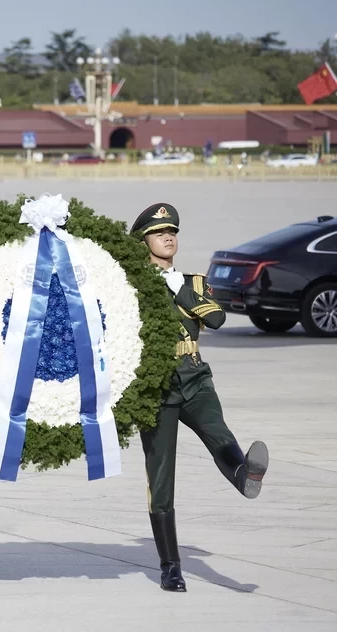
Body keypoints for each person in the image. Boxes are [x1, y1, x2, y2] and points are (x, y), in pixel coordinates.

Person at [131, 203, 269, 593]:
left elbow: (216, 319)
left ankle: (244, 475)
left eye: (172, 231)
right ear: (144, 242)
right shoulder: (133, 287)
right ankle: (170, 567)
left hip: (194, 377)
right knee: (161, 479)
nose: (168, 237)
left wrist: (178, 288)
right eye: (159, 233)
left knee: (218, 432)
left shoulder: (194, 282)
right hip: (156, 388)